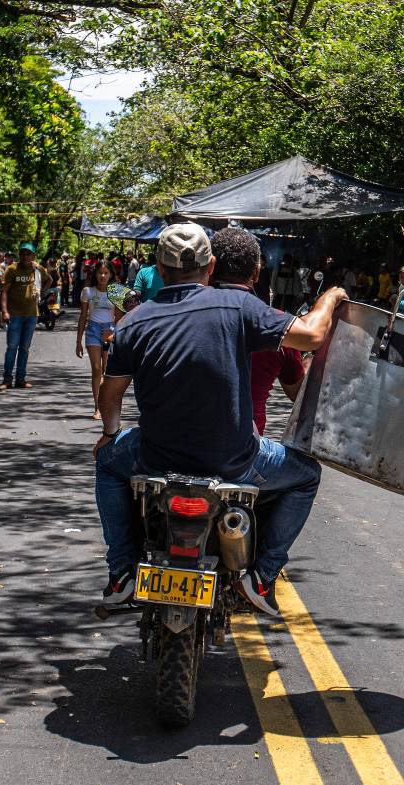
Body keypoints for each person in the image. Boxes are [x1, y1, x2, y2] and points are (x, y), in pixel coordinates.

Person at [94, 222, 348, 617]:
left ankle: (121, 571)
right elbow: (313, 336)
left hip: (154, 457)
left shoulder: (134, 321)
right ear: (209, 267)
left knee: (108, 462)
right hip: (234, 460)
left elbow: (110, 397)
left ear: (158, 270)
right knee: (307, 474)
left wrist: (110, 435)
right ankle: (262, 575)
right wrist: (330, 297)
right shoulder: (240, 308)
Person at [210, 228, 305, 435]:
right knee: (309, 468)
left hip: (176, 446)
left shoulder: (177, 316)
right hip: (246, 449)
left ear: (210, 267)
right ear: (256, 272)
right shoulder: (278, 326)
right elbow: (300, 395)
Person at [0, 243, 51, 390]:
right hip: (15, 314)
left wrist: (41, 293)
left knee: (25, 348)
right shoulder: (12, 269)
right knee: (12, 347)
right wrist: (4, 311)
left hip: (32, 314)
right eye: (23, 254)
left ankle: (20, 379)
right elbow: (4, 292)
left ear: (33, 256)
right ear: (20, 255)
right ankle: (7, 379)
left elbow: (50, 280)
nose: (26, 257)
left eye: (29, 254)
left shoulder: (37, 269)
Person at [76, 262, 115, 419]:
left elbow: (120, 316)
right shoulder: (88, 291)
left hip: (109, 332)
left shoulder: (115, 292)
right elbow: (83, 316)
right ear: (95, 274)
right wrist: (78, 341)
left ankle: (107, 405)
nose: (103, 276)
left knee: (107, 370)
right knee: (97, 369)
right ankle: (97, 407)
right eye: (100, 273)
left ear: (110, 274)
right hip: (92, 330)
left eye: (106, 273)